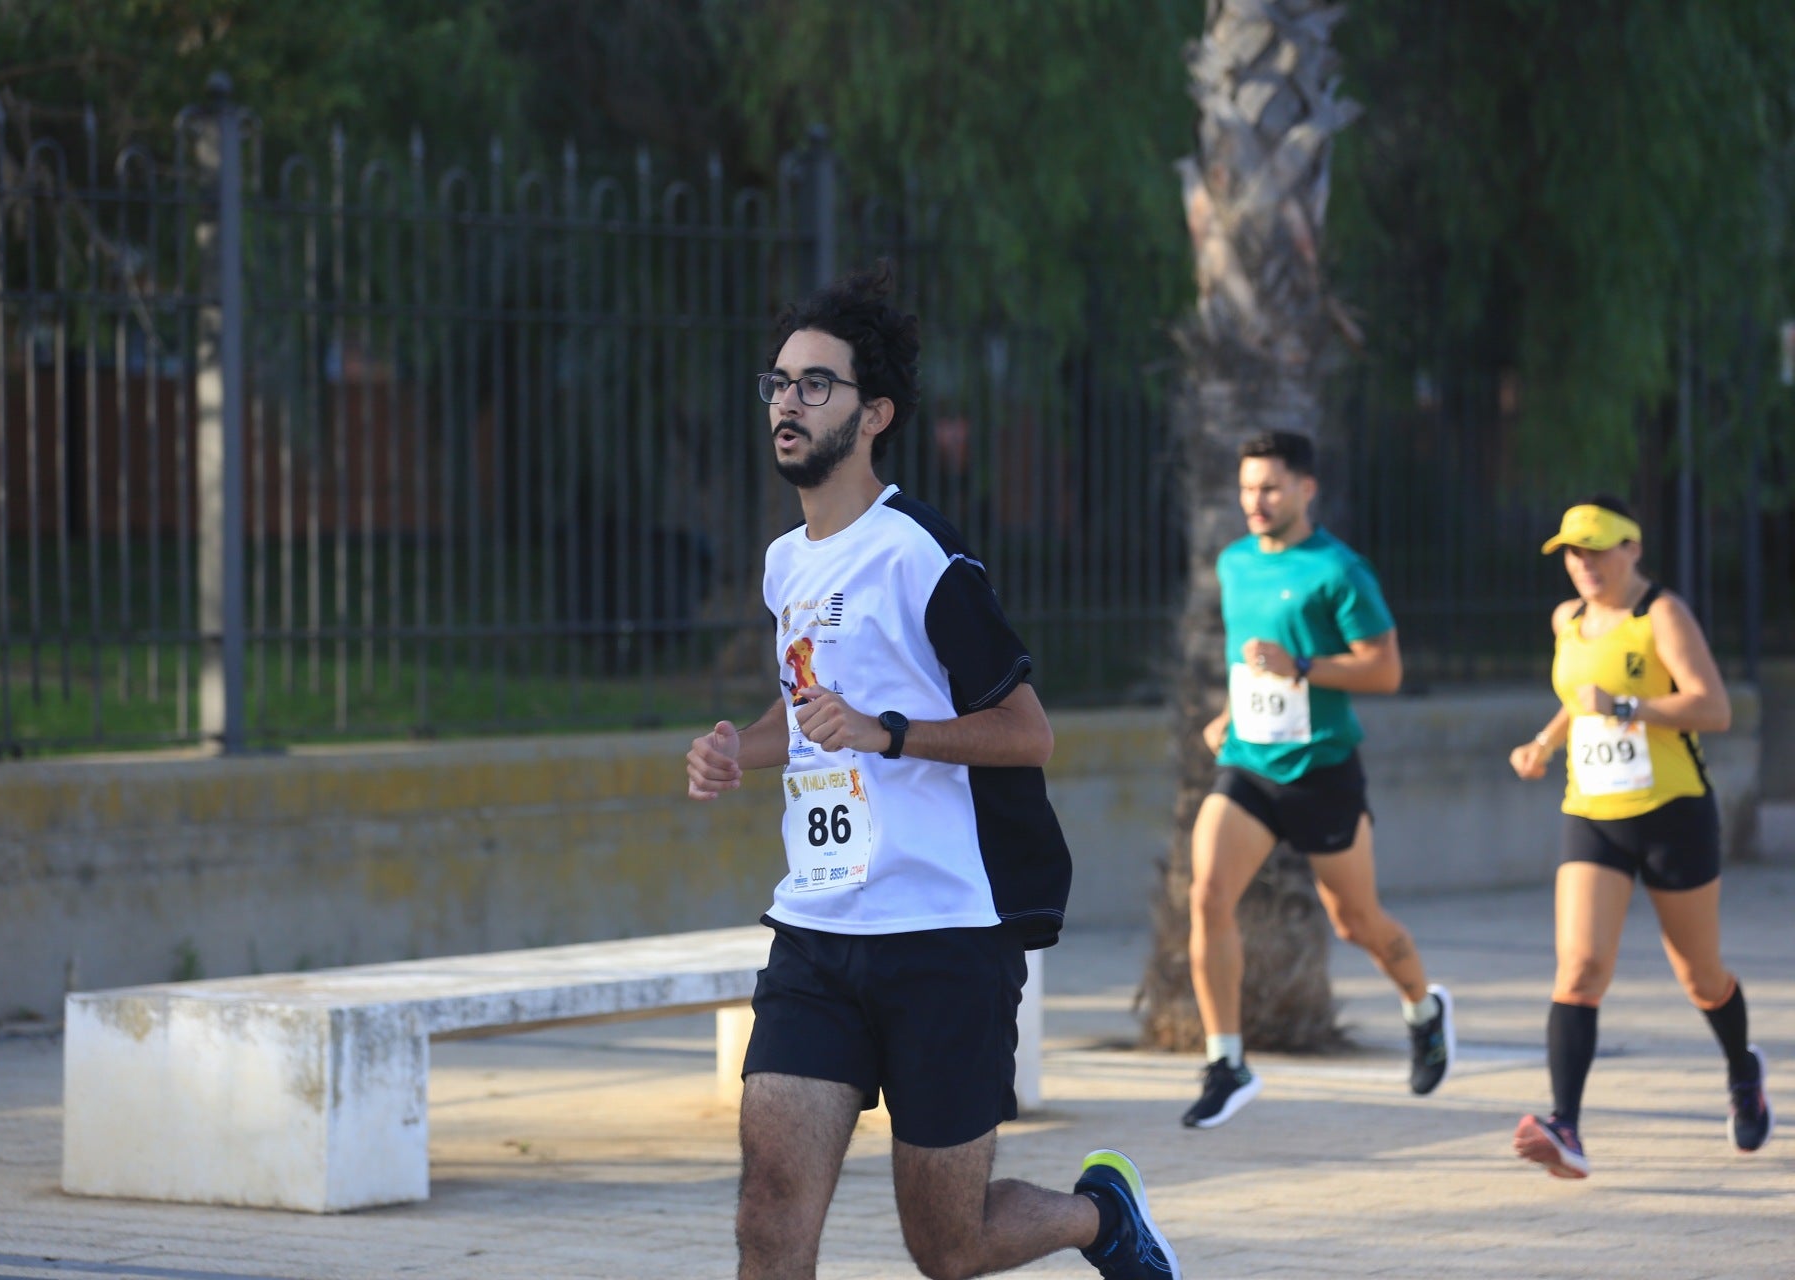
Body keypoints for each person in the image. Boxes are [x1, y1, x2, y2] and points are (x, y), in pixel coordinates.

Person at [684, 265, 1181, 1280]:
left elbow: (1026, 728)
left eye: (815, 384)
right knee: (769, 1211)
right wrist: (748, 744)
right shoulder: (787, 562)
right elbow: (814, 702)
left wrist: (891, 732)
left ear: (875, 413)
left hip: (946, 935)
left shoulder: (923, 557)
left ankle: (1101, 1216)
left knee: (948, 1244)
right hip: (818, 930)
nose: (787, 400)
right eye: (778, 380)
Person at [1183, 430, 1454, 1129]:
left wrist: (1302, 665)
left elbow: (1385, 670)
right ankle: (1226, 1061)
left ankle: (1424, 1007)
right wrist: (1230, 714)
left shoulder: (1341, 571)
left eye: (1270, 487)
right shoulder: (1235, 561)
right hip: (1249, 760)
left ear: (1307, 489)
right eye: (1247, 488)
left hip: (1322, 770)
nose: (1256, 501)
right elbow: (1255, 664)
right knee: (1208, 893)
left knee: (1356, 920)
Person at [1506, 496, 1772, 1178]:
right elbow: (1577, 697)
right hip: (1592, 811)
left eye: (1597, 549)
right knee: (1580, 968)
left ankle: (1743, 1070)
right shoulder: (1567, 620)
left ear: (1633, 548)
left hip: (1672, 812)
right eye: (1572, 551)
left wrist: (1627, 707)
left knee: (1699, 975)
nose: (1585, 563)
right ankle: (1565, 1125)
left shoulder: (1662, 615)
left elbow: (1712, 706)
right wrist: (1543, 742)